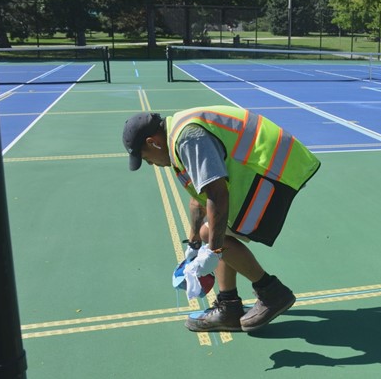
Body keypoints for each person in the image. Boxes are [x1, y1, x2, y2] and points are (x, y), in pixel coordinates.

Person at [122, 106, 320, 331]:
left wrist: (212, 251)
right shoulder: (177, 133)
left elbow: (217, 195)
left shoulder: (187, 139)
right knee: (210, 232)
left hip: (273, 169)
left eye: (146, 158)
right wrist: (194, 244)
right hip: (266, 166)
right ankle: (229, 307)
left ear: (153, 142)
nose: (151, 164)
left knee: (213, 233)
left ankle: (271, 292)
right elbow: (199, 197)